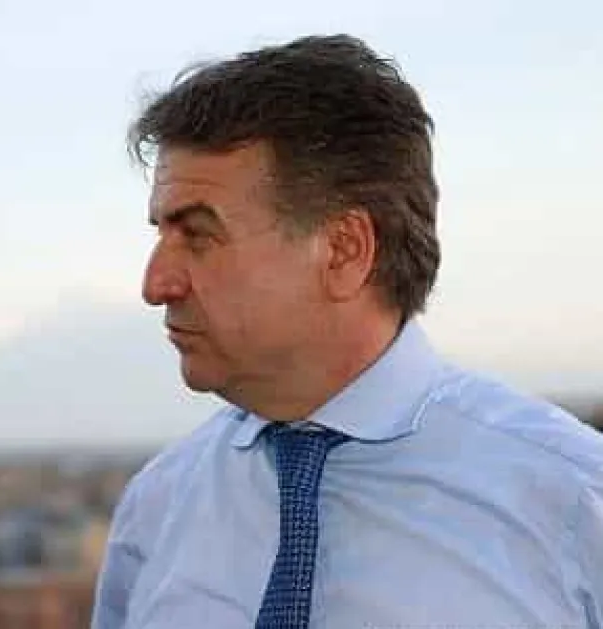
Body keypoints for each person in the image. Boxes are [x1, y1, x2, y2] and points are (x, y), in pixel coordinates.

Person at [91, 34, 603, 628]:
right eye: (161, 234)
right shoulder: (155, 513)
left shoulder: (573, 502)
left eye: (198, 235)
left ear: (344, 250)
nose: (156, 284)